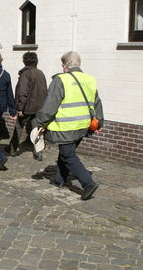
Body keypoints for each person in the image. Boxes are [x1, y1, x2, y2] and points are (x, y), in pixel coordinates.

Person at [36, 51, 104, 200]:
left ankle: (88, 183)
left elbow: (50, 105)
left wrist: (40, 122)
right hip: (83, 125)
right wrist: (99, 122)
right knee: (67, 151)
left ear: (65, 66)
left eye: (62, 65)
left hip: (66, 126)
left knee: (68, 154)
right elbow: (96, 101)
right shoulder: (89, 80)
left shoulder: (61, 80)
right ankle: (60, 179)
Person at [7, 52, 47, 160]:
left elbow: (22, 92)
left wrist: (20, 108)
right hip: (38, 107)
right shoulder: (40, 73)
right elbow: (44, 91)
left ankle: (12, 149)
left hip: (27, 107)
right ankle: (38, 152)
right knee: (37, 130)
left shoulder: (26, 73)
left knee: (18, 127)